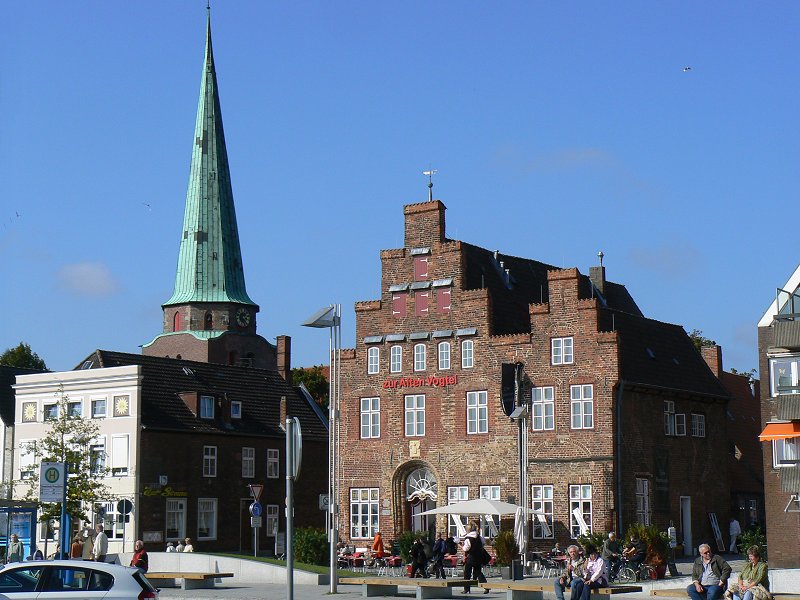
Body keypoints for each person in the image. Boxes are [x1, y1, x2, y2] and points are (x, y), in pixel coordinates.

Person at [462, 522, 488, 594]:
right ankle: (486, 587)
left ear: (468, 530)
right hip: (478, 557)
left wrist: (460, 546)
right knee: (478, 572)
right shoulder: (479, 536)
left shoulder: (468, 538)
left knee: (467, 573)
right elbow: (484, 543)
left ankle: (466, 588)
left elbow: (466, 548)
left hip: (471, 557)